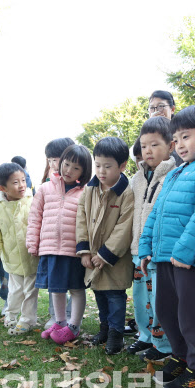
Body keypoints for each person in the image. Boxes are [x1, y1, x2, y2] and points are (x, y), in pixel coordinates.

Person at [139, 106, 195, 388]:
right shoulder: (175, 174)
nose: (180, 145)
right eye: (177, 139)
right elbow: (156, 212)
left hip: (189, 261)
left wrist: (186, 253)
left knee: (190, 315)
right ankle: (182, 355)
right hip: (164, 258)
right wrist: (145, 247)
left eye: (186, 136)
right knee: (165, 311)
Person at [28, 145, 92, 344]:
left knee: (76, 288)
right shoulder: (45, 188)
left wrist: (86, 248)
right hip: (50, 248)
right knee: (56, 289)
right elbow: (35, 216)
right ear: (60, 162)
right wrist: (33, 242)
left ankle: (74, 326)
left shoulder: (86, 192)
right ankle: (60, 322)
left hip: (73, 251)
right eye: (66, 164)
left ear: (84, 171)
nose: (69, 170)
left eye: (76, 168)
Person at [77, 137, 134, 355]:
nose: (101, 171)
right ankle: (104, 329)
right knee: (99, 294)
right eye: (98, 165)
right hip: (92, 255)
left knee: (115, 296)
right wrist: (84, 250)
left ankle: (116, 335)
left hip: (115, 259)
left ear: (121, 166)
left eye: (107, 166)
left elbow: (124, 227)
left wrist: (106, 253)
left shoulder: (126, 193)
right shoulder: (89, 190)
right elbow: (81, 218)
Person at [127, 117, 176, 362]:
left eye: (155, 144)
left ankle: (164, 344)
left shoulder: (174, 175)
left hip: (157, 253)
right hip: (137, 251)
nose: (148, 150)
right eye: (144, 145)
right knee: (140, 299)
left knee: (158, 300)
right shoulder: (136, 179)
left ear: (171, 145)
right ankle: (145, 336)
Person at [0, 163, 39, 335]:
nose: (22, 185)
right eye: (15, 182)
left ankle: (27, 320)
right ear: (2, 188)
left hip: (32, 257)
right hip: (12, 259)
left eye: (23, 180)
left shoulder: (33, 202)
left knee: (30, 291)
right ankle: (11, 314)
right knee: (15, 291)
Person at [41, 137, 75, 328]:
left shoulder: (82, 186)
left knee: (73, 284)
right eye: (50, 160)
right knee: (55, 284)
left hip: (72, 244)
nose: (54, 164)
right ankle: (56, 317)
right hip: (51, 244)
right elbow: (37, 216)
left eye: (57, 159)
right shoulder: (46, 185)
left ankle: (70, 317)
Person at [148, 90, 182, 165]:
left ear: (172, 109)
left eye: (161, 106)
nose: (156, 111)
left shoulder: (181, 130)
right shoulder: (146, 132)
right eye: (152, 108)